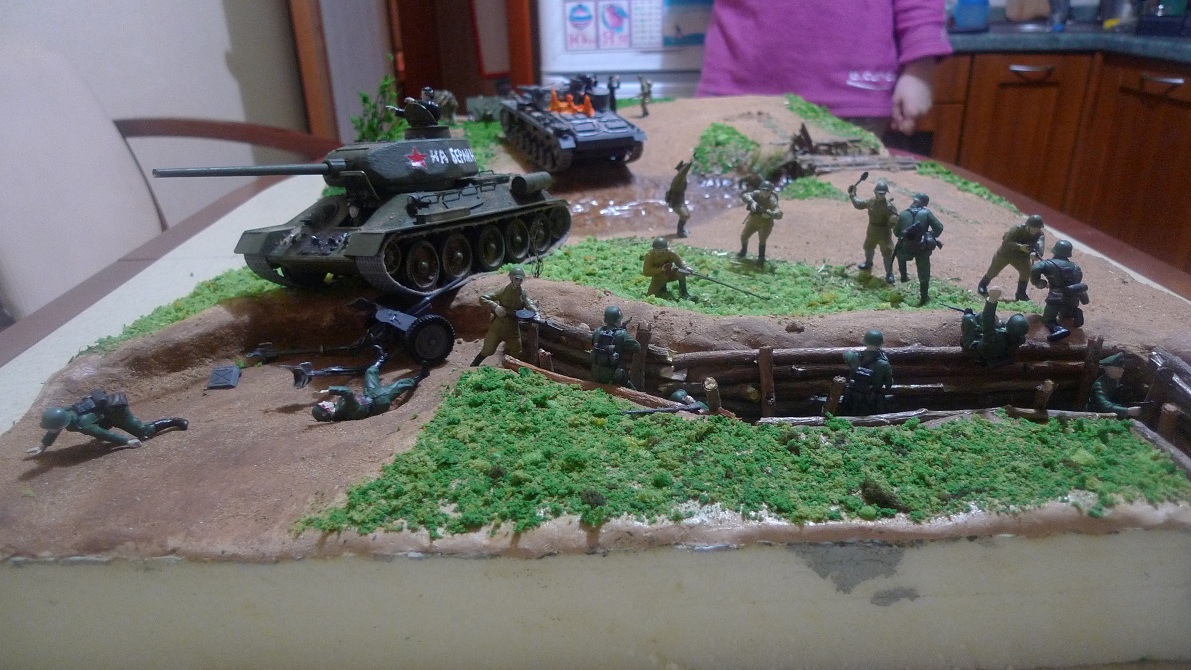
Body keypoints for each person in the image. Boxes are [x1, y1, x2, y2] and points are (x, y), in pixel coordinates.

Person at [696, 1, 953, 139]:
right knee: (731, 212)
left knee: (846, 211)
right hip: (738, 86)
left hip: (850, 99)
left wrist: (920, 68)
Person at [32, 389, 187, 455]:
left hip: (115, 412)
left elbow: (104, 434)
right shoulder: (65, 413)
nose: (52, 429)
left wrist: (127, 441)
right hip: (102, 416)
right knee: (99, 431)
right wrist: (43, 446)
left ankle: (175, 421)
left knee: (144, 433)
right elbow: (54, 428)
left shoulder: (82, 424)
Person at [313, 347, 428, 422]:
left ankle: (382, 358)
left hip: (369, 395)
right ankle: (420, 376)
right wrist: (330, 390)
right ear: (325, 412)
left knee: (370, 372)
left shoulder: (339, 408)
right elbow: (347, 393)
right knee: (400, 384)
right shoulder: (344, 410)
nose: (324, 402)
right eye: (322, 405)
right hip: (378, 401)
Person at [471, 266, 540, 366]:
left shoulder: (522, 293)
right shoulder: (503, 291)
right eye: (516, 279)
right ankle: (474, 365)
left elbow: (530, 304)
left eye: (520, 280)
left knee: (517, 352)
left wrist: (536, 313)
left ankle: (514, 369)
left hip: (513, 328)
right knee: (488, 350)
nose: (518, 282)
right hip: (498, 327)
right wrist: (495, 307)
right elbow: (483, 298)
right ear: (511, 278)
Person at [1030, 240, 1087, 343]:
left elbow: (1035, 269)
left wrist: (1038, 282)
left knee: (1048, 319)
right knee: (1065, 314)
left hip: (1056, 297)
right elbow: (1077, 281)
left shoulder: (1048, 264)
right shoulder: (1076, 267)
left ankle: (1058, 329)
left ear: (1056, 250)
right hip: (1072, 298)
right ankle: (1074, 312)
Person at [978, 215, 1045, 301]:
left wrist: (1035, 254)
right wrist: (1020, 247)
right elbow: (1006, 243)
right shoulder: (1017, 229)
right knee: (993, 271)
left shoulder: (1040, 235)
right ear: (1028, 225)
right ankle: (982, 285)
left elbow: (1040, 246)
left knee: (1026, 272)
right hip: (1005, 254)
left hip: (1021, 257)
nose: (1036, 230)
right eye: (1034, 227)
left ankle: (1021, 293)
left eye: (1038, 228)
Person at [893, 192, 944, 305]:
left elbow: (896, 232)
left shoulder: (903, 213)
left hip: (905, 248)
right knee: (924, 271)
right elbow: (939, 228)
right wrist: (930, 235)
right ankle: (924, 297)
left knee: (899, 253)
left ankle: (903, 276)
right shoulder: (926, 213)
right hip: (922, 248)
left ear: (914, 201)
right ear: (924, 204)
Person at [960, 287, 1030, 367]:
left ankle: (966, 342)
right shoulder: (1018, 338)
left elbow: (987, 323)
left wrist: (991, 301)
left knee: (968, 318)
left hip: (981, 351)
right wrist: (999, 324)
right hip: (1000, 353)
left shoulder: (995, 338)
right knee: (981, 315)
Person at [848, 178, 899, 284]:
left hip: (884, 233)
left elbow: (894, 222)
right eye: (879, 193)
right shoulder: (871, 201)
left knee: (887, 253)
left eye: (883, 193)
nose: (881, 195)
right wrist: (852, 195)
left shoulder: (889, 207)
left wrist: (893, 220)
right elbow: (859, 204)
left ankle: (889, 274)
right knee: (868, 247)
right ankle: (868, 263)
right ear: (875, 192)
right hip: (872, 230)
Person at [840, 329, 894, 416]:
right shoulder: (884, 364)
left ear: (864, 341)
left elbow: (846, 354)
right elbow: (889, 385)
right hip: (873, 404)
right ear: (881, 344)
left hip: (852, 401)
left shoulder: (853, 357)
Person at [591, 306, 641, 388]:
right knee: (632, 390)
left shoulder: (598, 331)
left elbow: (593, 342)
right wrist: (624, 333)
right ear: (618, 321)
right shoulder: (621, 333)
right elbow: (637, 347)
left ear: (605, 320)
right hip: (614, 377)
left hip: (596, 373)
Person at [738, 180, 783, 264]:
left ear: (771, 191)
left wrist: (771, 213)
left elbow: (778, 213)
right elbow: (745, 195)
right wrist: (752, 202)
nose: (765, 192)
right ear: (760, 189)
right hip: (753, 220)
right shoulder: (756, 194)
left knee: (762, 240)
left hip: (765, 223)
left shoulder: (772, 200)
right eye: (763, 190)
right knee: (744, 236)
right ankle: (743, 251)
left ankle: (761, 257)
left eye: (768, 191)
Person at [1086, 353, 1142, 418]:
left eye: (1122, 368)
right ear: (1109, 369)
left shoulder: (1116, 381)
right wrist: (1127, 411)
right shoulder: (1099, 385)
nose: (1122, 370)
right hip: (1097, 417)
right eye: (1119, 368)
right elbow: (1104, 406)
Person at [665, 159, 695, 237]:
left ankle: (681, 230)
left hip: (680, 200)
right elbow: (684, 170)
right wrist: (692, 162)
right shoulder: (680, 177)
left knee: (686, 215)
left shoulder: (680, 177)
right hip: (676, 201)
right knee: (685, 215)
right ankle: (680, 232)